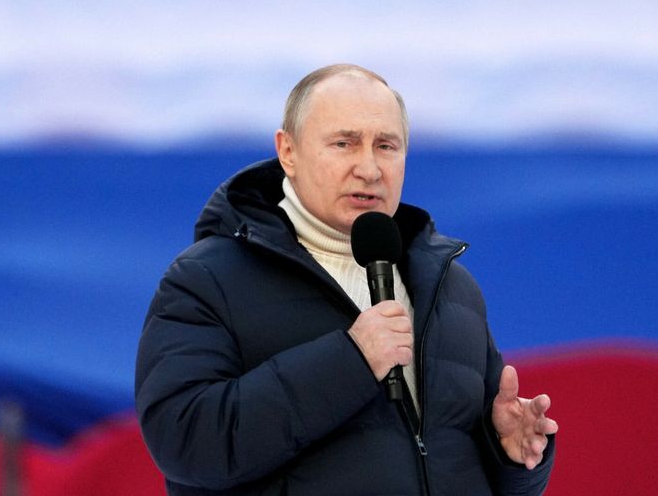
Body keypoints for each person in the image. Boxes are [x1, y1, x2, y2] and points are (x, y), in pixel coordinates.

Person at [135, 64, 558, 495]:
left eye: (386, 146)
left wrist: (507, 453)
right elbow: (184, 442)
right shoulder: (208, 278)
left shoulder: (451, 287)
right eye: (344, 143)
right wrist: (352, 361)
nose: (369, 169)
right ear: (288, 151)